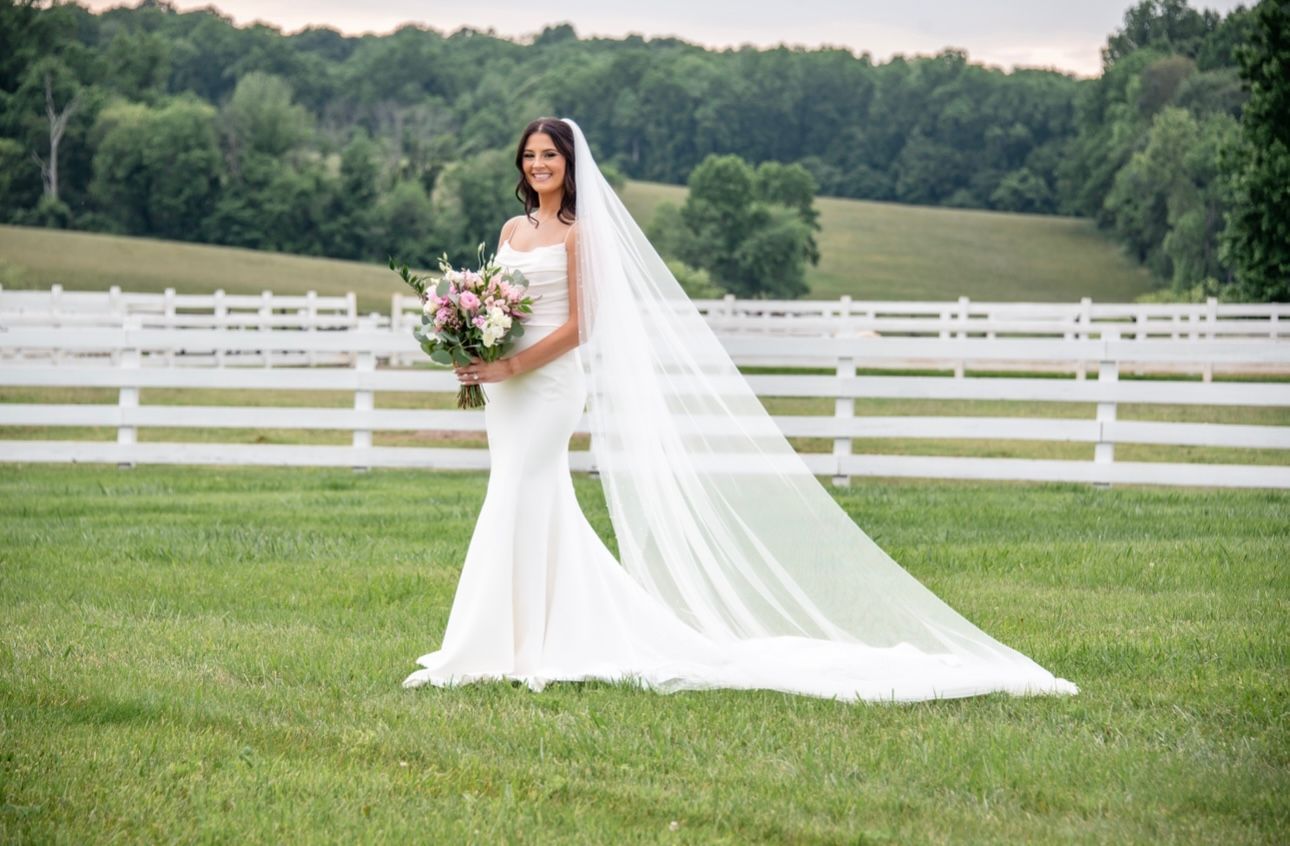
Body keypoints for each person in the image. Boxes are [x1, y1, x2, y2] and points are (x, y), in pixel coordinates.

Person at [402, 117, 1078, 702]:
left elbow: (584, 324)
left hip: (546, 385)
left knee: (521, 491)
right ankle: (520, 640)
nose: (538, 165)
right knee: (525, 497)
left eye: (550, 155)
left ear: (571, 166)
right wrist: (474, 336)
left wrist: (514, 362)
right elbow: (498, 299)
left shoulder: (581, 233)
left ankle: (506, 649)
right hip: (502, 387)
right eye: (530, 155)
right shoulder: (512, 228)